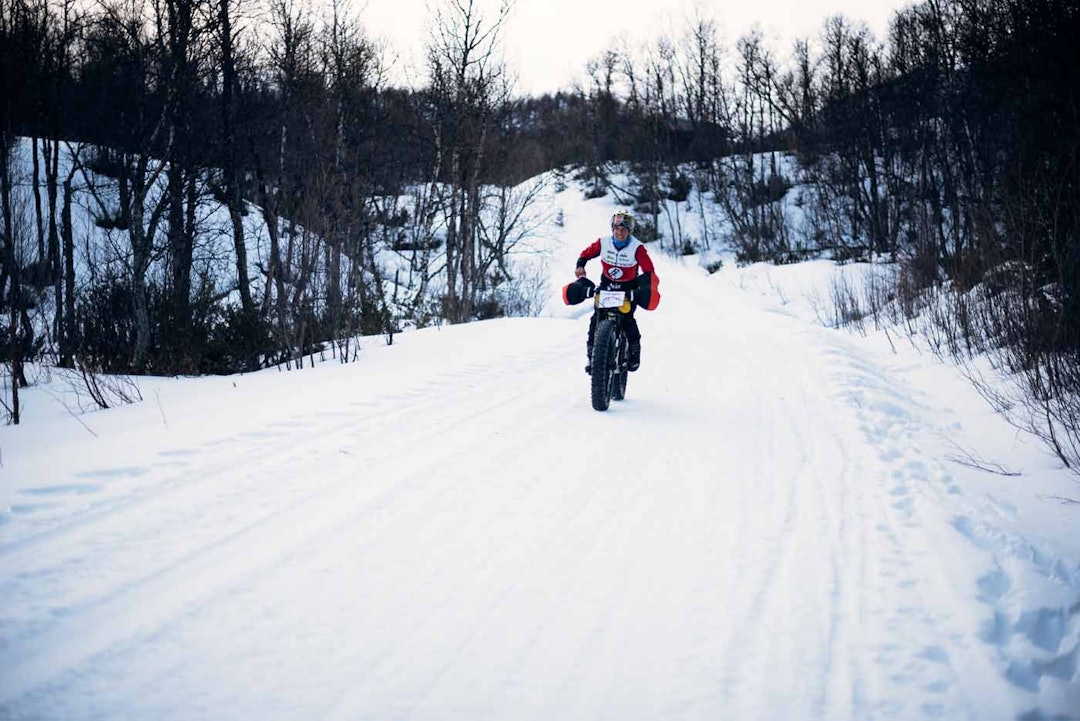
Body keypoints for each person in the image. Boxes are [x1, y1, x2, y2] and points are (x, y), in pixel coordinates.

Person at [575, 208, 660, 374]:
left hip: (628, 288)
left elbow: (649, 271)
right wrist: (580, 265)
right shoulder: (604, 243)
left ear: (629, 231)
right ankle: (592, 353)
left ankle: (634, 351)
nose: (619, 233)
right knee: (596, 318)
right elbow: (587, 253)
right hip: (607, 286)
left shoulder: (637, 248)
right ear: (612, 229)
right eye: (616, 229)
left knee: (628, 319)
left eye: (623, 230)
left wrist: (645, 288)